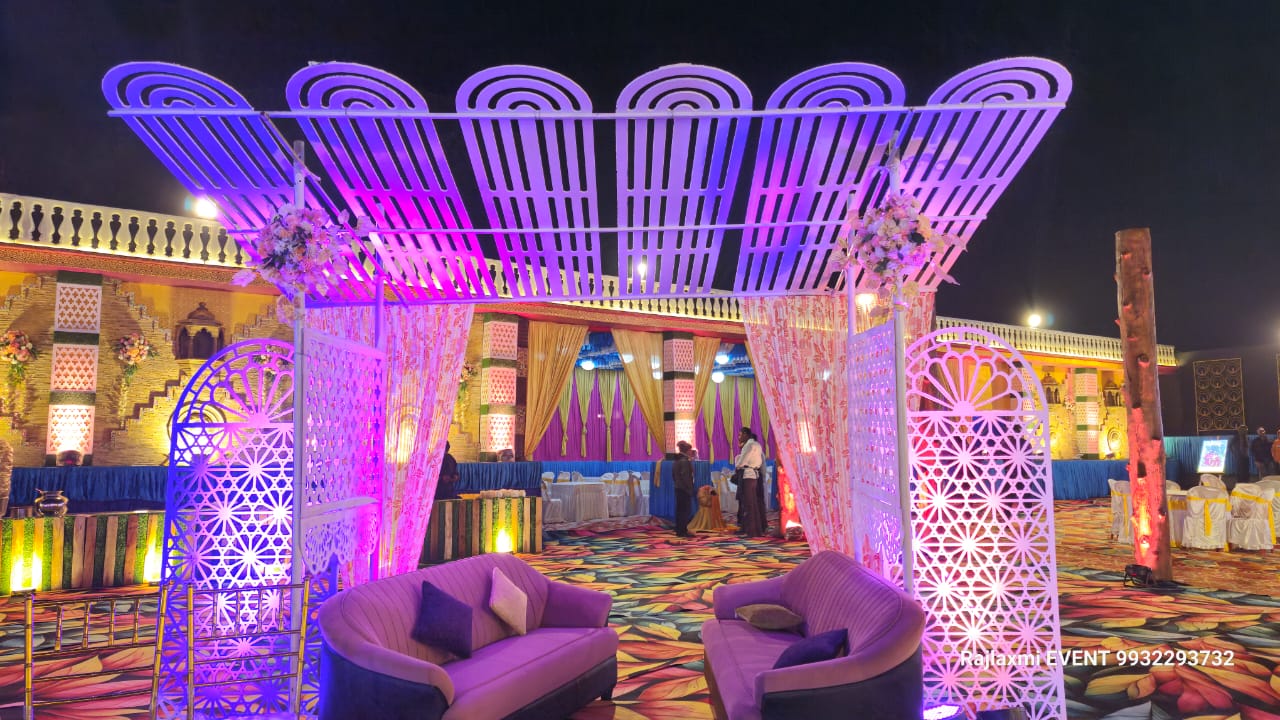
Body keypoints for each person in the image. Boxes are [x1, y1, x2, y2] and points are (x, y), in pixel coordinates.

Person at [734, 427, 766, 537]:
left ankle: (751, 531)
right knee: (754, 504)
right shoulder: (757, 445)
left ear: (745, 434)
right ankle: (757, 530)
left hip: (747, 475)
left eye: (740, 435)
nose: (739, 437)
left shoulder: (748, 445)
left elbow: (742, 461)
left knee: (748, 504)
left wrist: (738, 465)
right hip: (754, 475)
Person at [673, 441, 695, 538]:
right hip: (684, 489)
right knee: (685, 511)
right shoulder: (685, 461)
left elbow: (674, 475)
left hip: (678, 487)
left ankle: (679, 530)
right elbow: (686, 477)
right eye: (690, 450)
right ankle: (683, 531)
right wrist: (690, 488)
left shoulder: (676, 460)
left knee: (679, 510)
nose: (691, 452)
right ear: (687, 450)